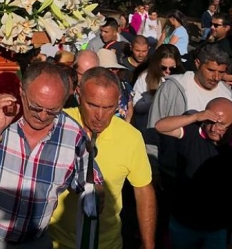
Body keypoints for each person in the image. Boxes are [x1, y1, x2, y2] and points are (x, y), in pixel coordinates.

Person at [0, 62, 102, 248]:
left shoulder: (73, 135)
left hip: (34, 242)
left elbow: (91, 185)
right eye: (36, 107)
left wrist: (97, 194)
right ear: (22, 90)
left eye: (53, 111)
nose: (43, 116)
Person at [49, 67, 156, 249]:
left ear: (118, 104)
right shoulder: (57, 125)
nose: (99, 115)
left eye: (108, 108)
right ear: (78, 95)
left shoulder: (131, 137)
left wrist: (148, 244)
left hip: (107, 243)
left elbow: (144, 191)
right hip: (54, 241)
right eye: (92, 105)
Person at [155, 98, 232, 249]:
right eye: (210, 122)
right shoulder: (193, 132)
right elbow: (160, 126)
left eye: (221, 125)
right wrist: (195, 117)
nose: (213, 129)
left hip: (218, 228)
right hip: (184, 223)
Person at [131, 44, 185, 134]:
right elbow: (135, 105)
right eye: (163, 67)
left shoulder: (182, 78)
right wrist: (157, 101)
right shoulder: (145, 77)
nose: (168, 71)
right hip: (148, 128)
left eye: (172, 68)